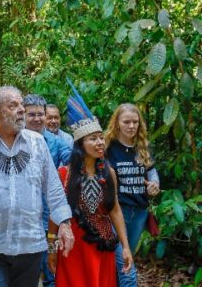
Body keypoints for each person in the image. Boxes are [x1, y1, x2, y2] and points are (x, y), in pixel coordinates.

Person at [0, 86, 75, 287]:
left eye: (21, 104)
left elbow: (53, 188)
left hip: (30, 244)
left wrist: (64, 222)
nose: (21, 109)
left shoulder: (37, 143)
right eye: (13, 105)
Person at [48, 84, 133, 287]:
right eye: (93, 139)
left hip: (102, 244)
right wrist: (52, 249)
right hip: (72, 244)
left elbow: (115, 210)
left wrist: (126, 246)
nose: (100, 143)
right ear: (80, 145)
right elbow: (55, 213)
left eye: (101, 138)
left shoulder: (109, 172)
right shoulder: (64, 174)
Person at [104, 103, 160, 287]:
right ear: (117, 123)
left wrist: (155, 184)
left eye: (135, 122)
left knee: (124, 259)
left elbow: (151, 171)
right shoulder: (107, 146)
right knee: (125, 262)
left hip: (139, 212)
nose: (131, 126)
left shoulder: (142, 146)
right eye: (126, 121)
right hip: (116, 211)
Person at [22, 94, 71, 287]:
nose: (36, 119)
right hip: (23, 222)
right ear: (23, 115)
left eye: (40, 114)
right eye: (31, 114)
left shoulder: (57, 143)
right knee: (25, 274)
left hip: (51, 221)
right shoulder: (14, 140)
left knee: (52, 270)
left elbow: (72, 160)